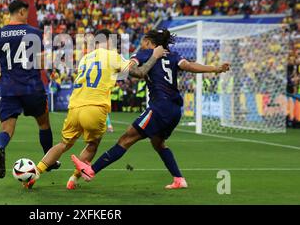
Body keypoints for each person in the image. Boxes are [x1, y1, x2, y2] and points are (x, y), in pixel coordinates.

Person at [72, 29, 231, 189]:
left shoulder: (145, 53)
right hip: (175, 109)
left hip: (159, 107)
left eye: (143, 40)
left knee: (125, 139)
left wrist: (121, 63)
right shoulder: (174, 55)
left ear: (149, 42)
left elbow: (132, 69)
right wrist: (215, 68)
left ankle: (91, 170)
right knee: (158, 143)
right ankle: (179, 179)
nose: (141, 43)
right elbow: (189, 66)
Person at [25, 29, 167, 190]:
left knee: (63, 144)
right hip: (95, 108)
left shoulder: (85, 58)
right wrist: (155, 55)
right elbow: (140, 72)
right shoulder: (113, 56)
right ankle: (73, 179)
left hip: (74, 107)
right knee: (93, 144)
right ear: (110, 42)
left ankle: (36, 171)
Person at [0, 0, 60, 179]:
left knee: (6, 130)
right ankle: (49, 160)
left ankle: (1, 148)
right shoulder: (34, 33)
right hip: (32, 87)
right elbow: (41, 63)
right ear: (22, 11)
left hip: (9, 89)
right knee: (43, 124)